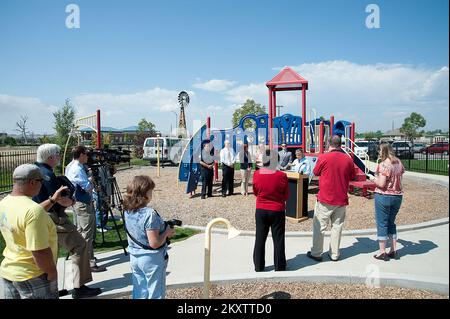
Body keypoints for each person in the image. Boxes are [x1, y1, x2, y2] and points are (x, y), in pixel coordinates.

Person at [33, 144, 103, 299]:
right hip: (54, 217)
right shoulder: (48, 175)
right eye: (57, 154)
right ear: (50, 157)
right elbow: (60, 200)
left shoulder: (35, 171)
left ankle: (52, 289)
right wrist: (70, 200)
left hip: (40, 217)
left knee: (51, 253)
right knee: (80, 245)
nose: (59, 156)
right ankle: (80, 287)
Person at [0, 164, 61, 299]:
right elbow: (39, 251)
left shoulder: (5, 203)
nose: (42, 185)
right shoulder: (33, 211)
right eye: (41, 181)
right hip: (33, 275)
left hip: (9, 271)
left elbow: (27, 215)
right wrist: (51, 272)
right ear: (32, 182)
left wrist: (52, 200)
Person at [123, 175, 176, 299]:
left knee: (139, 292)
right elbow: (154, 243)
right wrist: (167, 232)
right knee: (155, 293)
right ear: (144, 194)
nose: (152, 193)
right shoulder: (149, 214)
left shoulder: (127, 211)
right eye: (150, 191)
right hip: (151, 259)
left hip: (134, 256)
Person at [307, 136, 356, 262]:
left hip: (325, 197)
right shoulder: (348, 159)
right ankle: (334, 253)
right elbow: (352, 176)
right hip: (341, 198)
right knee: (337, 227)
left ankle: (317, 253)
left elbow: (316, 172)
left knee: (320, 227)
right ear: (340, 144)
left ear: (329, 144)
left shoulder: (323, 157)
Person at [65, 145, 105, 272]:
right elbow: (87, 187)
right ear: (81, 155)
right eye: (86, 154)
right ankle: (89, 261)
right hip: (82, 203)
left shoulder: (70, 166)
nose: (88, 157)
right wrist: (91, 181)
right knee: (86, 233)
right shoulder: (77, 169)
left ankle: (83, 256)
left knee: (80, 231)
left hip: (78, 202)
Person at [252, 149, 289, 272]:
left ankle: (258, 265)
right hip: (277, 209)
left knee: (260, 238)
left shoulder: (257, 174)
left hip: (261, 208)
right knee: (278, 238)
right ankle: (279, 265)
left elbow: (255, 191)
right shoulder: (282, 176)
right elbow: (286, 195)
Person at [369, 142, 405, 261]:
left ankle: (382, 251)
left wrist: (372, 178)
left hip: (384, 196)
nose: (378, 153)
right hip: (397, 196)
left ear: (383, 151)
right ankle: (393, 250)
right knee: (391, 223)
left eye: (379, 151)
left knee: (382, 223)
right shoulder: (399, 162)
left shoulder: (383, 164)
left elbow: (381, 184)